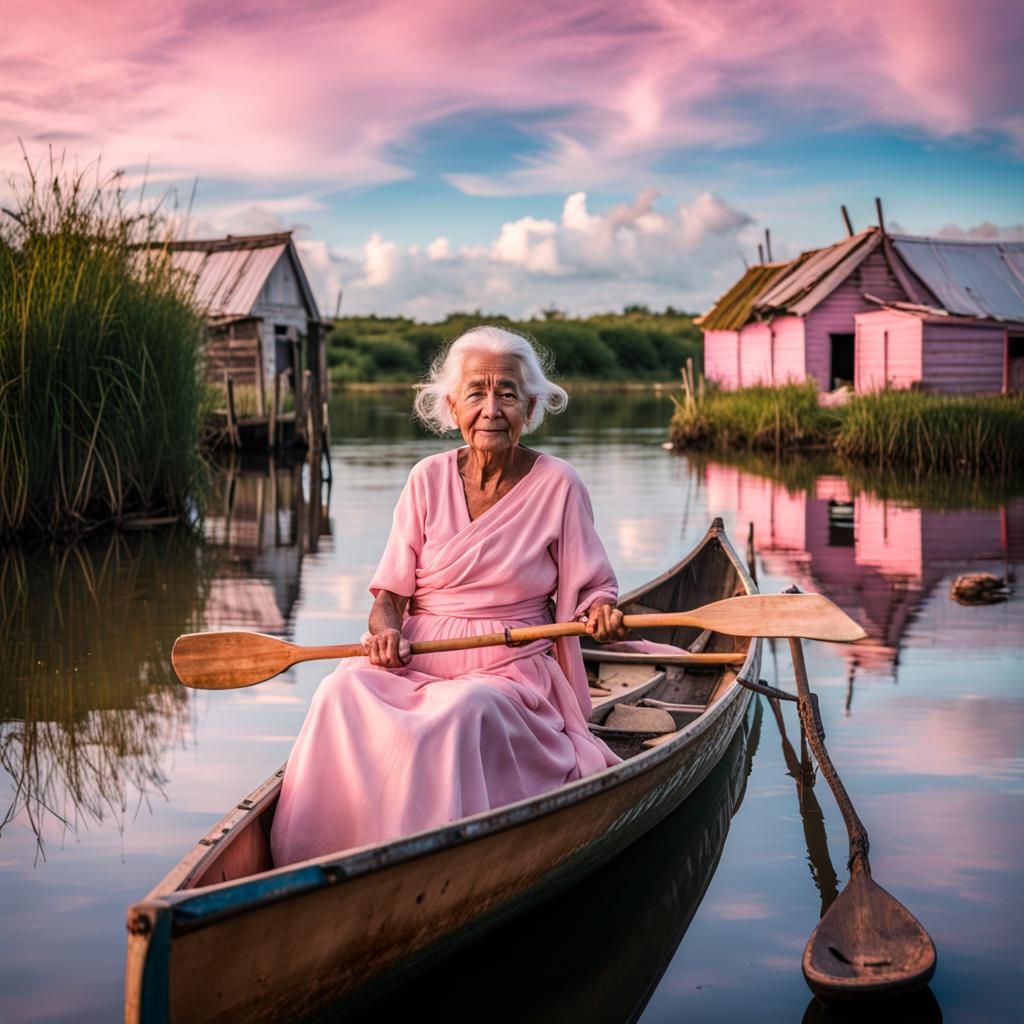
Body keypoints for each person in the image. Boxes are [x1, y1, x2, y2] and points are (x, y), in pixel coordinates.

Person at [270, 325, 628, 866]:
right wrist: (386, 631)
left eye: (506, 393)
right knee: (339, 692)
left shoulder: (560, 484)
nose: (491, 408)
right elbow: (389, 595)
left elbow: (593, 589)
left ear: (529, 407)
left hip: (509, 668)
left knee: (464, 710)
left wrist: (600, 611)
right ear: (452, 406)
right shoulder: (425, 478)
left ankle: (429, 862)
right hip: (419, 658)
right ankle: (323, 852)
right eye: (476, 393)